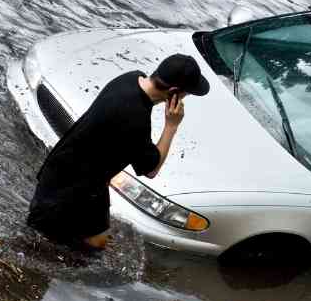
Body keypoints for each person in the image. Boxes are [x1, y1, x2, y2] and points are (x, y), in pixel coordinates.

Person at [26, 54, 210, 250]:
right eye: (186, 94)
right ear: (174, 92)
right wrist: (171, 126)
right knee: (40, 246)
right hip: (68, 191)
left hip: (74, 174)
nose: (184, 98)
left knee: (96, 242)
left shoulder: (130, 78)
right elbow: (151, 170)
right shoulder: (135, 118)